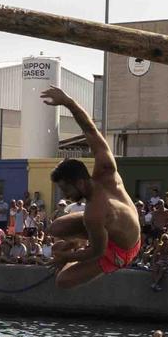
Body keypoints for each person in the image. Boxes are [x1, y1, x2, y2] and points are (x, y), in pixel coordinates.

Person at [40, 86, 141, 288]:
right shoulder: (106, 169)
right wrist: (68, 102)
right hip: (115, 227)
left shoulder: (94, 214)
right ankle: (75, 243)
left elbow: (97, 251)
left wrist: (66, 257)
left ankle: (73, 249)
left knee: (62, 281)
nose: (66, 197)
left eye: (66, 190)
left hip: (121, 250)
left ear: (79, 182)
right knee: (55, 228)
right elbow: (89, 130)